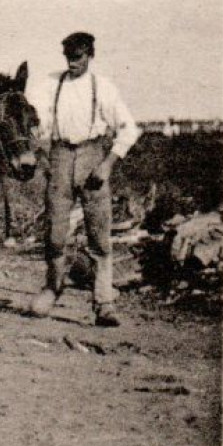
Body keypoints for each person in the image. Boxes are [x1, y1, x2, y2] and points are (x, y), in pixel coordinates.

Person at [28, 31, 140, 327]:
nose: (72, 63)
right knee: (54, 232)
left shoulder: (103, 87)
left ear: (90, 55)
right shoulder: (51, 84)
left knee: (99, 235)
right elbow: (33, 121)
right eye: (68, 57)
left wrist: (107, 165)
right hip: (60, 157)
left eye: (77, 58)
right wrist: (41, 155)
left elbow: (129, 129)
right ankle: (53, 287)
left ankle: (104, 303)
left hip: (93, 156)